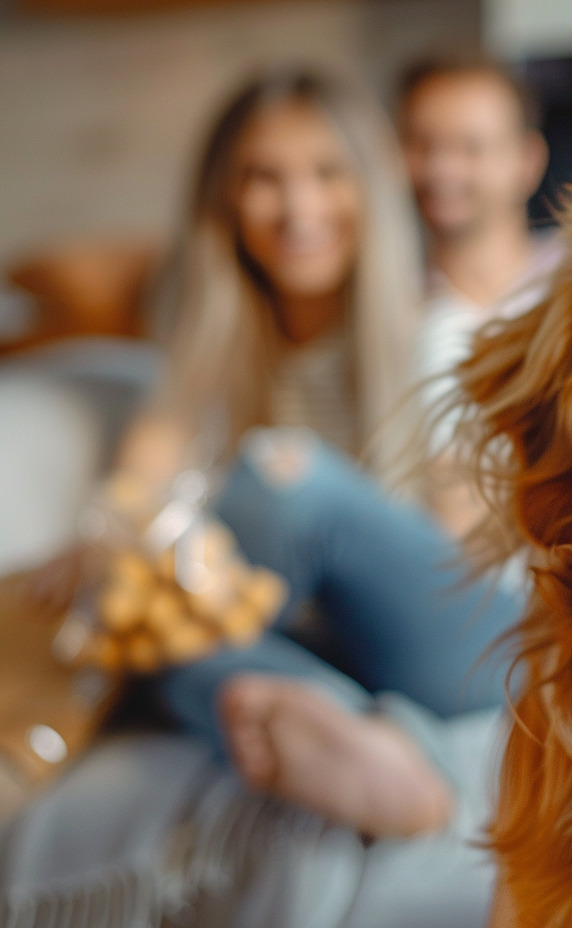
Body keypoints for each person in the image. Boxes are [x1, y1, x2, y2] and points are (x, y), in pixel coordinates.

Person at [102, 67, 521, 839]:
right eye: (264, 179)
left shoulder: (443, 335)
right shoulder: (205, 364)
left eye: (328, 175)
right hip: (316, 650)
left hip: (474, 641)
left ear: (372, 184)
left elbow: (466, 547)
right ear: (224, 199)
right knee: (161, 630)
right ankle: (363, 742)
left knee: (278, 484)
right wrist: (122, 555)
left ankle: (347, 723)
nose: (299, 210)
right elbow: (127, 511)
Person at [395, 49, 560, 533]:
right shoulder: (388, 305)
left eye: (470, 148)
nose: (442, 170)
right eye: (422, 145)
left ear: (527, 162)